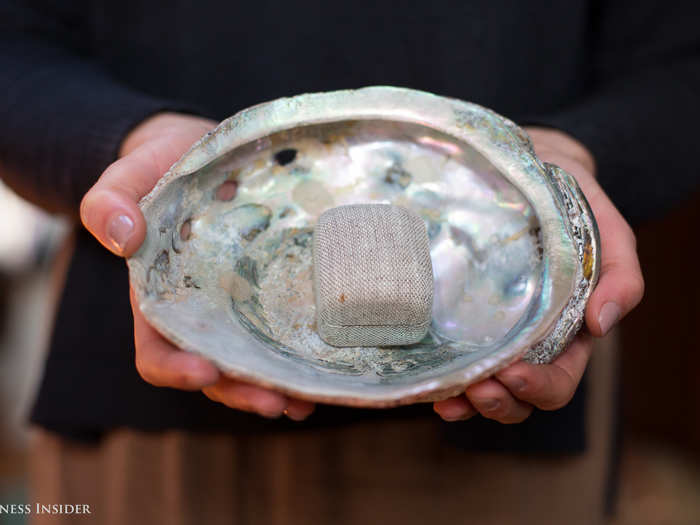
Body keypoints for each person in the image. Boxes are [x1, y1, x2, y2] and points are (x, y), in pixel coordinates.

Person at [1, 1, 697, 523]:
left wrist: (580, 158)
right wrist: (129, 140)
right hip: (149, 397)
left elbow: (680, 60)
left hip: (503, 429)